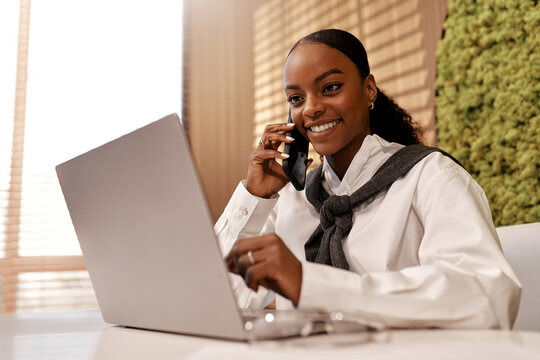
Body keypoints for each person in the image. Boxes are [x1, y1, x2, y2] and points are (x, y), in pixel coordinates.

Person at [216, 29, 521, 329]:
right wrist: (254, 198)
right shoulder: (291, 201)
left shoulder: (430, 175)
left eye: (330, 87)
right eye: (296, 98)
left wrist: (314, 284)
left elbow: (487, 297)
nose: (310, 108)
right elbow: (216, 302)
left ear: (369, 89)